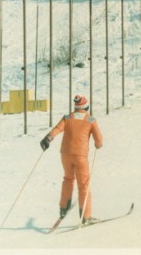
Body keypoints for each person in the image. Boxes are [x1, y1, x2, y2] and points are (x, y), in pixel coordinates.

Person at [40, 95, 104, 223]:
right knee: (83, 184)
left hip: (65, 154)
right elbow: (99, 140)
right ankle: (85, 215)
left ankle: (64, 207)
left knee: (68, 179)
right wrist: (98, 145)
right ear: (87, 107)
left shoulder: (67, 118)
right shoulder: (91, 120)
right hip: (80, 156)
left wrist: (48, 138)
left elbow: (57, 129)